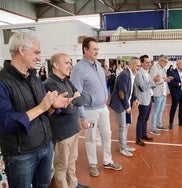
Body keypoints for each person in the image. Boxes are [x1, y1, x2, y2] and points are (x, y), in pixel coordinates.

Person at [0, 32, 69, 188]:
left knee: (43, 185)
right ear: (22, 50)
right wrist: (41, 107)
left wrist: (53, 106)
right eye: (36, 52)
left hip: (45, 146)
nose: (39, 58)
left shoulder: (35, 79)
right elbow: (4, 123)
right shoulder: (2, 81)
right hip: (21, 155)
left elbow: (44, 112)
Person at [70, 37, 122, 177]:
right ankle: (93, 164)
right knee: (91, 138)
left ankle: (107, 161)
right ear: (85, 50)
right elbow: (76, 95)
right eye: (94, 49)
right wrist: (83, 116)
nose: (96, 52)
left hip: (103, 108)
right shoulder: (78, 69)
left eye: (98, 49)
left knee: (107, 135)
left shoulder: (98, 65)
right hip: (89, 110)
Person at [44, 53, 89, 188]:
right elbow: (66, 109)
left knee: (71, 161)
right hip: (62, 134)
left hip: (73, 130)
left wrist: (71, 101)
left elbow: (82, 100)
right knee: (61, 167)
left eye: (70, 63)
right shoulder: (49, 84)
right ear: (56, 65)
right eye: (67, 63)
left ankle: (73, 184)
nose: (70, 66)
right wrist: (73, 99)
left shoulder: (67, 81)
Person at [110, 57, 140, 157]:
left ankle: (125, 145)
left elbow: (130, 90)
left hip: (126, 104)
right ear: (131, 65)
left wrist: (135, 98)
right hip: (120, 105)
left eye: (139, 66)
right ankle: (123, 148)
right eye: (137, 65)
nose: (139, 68)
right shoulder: (124, 75)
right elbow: (121, 92)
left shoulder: (132, 75)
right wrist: (127, 106)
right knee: (122, 127)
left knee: (126, 125)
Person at [134, 55, 160, 146]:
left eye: (149, 62)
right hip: (143, 100)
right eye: (147, 62)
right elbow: (142, 88)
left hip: (149, 98)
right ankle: (138, 138)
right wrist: (153, 82)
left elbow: (151, 86)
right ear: (141, 63)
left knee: (145, 119)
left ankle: (144, 134)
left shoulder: (147, 73)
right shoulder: (138, 74)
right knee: (141, 119)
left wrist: (155, 81)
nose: (149, 64)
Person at [149, 54, 173, 136]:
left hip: (163, 91)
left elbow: (163, 79)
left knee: (161, 110)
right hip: (158, 91)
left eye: (167, 62)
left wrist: (166, 79)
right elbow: (153, 80)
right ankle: (152, 128)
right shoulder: (154, 68)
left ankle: (159, 125)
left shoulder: (163, 69)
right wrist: (164, 79)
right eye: (165, 62)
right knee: (156, 110)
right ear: (160, 61)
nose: (166, 64)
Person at [168, 60, 182, 129]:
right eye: (181, 64)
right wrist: (180, 84)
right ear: (177, 65)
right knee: (174, 107)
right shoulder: (172, 72)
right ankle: (171, 123)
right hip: (176, 92)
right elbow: (171, 83)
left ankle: (181, 121)